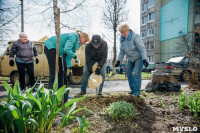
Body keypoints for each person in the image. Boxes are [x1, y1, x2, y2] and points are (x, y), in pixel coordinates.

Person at [115, 23, 149, 97]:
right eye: (121, 32)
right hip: (130, 58)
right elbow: (122, 50)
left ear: (128, 30)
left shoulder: (135, 36)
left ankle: (136, 93)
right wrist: (118, 60)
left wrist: (145, 59)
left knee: (137, 74)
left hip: (138, 58)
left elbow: (142, 48)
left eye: (123, 32)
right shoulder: (122, 39)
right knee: (128, 73)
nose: (122, 34)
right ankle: (133, 90)